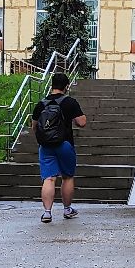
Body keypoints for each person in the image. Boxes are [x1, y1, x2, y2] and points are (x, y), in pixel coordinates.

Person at [32, 71, 87, 223]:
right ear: (66, 86)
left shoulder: (41, 104)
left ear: (52, 85)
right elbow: (82, 122)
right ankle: (67, 209)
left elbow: (34, 126)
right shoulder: (70, 102)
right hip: (64, 144)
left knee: (49, 179)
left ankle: (47, 213)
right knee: (67, 177)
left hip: (45, 146)